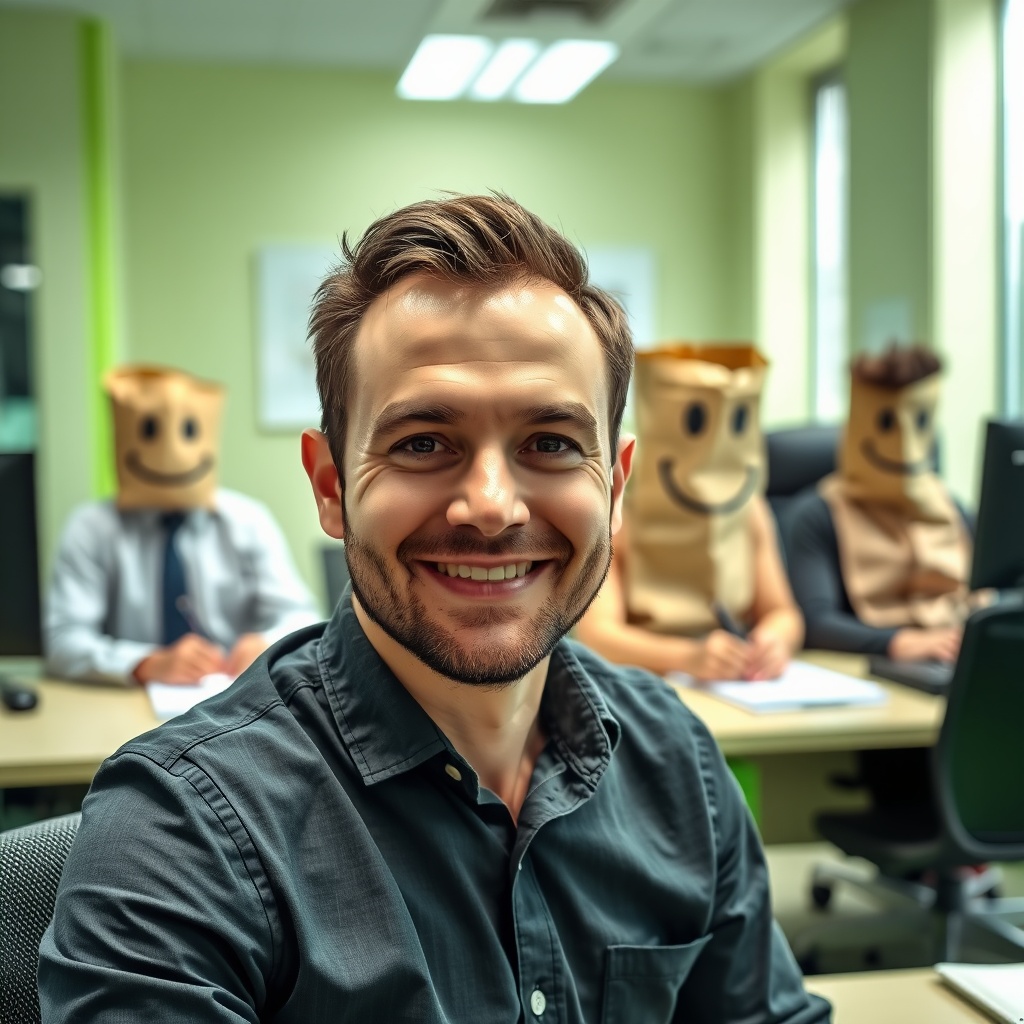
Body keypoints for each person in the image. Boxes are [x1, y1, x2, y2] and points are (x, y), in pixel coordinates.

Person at [39, 195, 830, 1023]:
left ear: (616, 484)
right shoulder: (178, 831)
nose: (491, 507)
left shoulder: (679, 767)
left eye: (551, 443)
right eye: (423, 442)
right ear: (331, 486)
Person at [44, 365, 320, 685]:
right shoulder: (90, 528)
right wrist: (144, 663)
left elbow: (304, 619)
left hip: (235, 696)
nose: (172, 452)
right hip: (128, 704)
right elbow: (63, 641)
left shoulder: (249, 522)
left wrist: (267, 645)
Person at [576, 344, 804, 681]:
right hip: (644, 686)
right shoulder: (621, 513)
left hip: (736, 686)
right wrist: (688, 657)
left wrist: (775, 640)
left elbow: (783, 613)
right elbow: (598, 636)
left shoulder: (750, 511)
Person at [786, 345, 972, 663]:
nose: (903, 442)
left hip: (954, 662)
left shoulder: (953, 509)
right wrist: (900, 643)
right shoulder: (817, 515)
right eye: (886, 423)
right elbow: (815, 621)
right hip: (872, 672)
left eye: (920, 420)